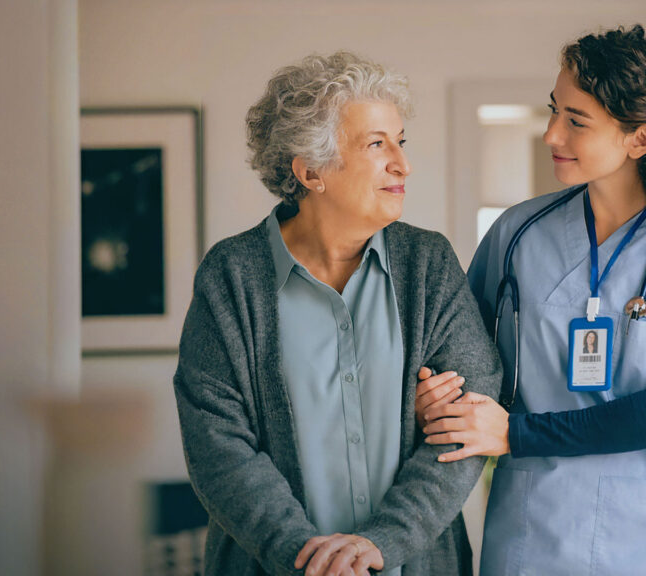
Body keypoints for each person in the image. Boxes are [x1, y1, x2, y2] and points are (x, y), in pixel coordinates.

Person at [414, 25, 646, 575]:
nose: (551, 134)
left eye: (576, 121)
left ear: (639, 139)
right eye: (555, 112)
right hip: (534, 536)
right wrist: (435, 396)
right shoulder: (517, 234)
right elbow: (463, 360)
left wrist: (513, 433)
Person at [173, 52, 500, 576]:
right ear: (310, 171)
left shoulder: (428, 264)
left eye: (400, 141)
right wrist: (308, 557)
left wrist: (383, 542)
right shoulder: (231, 276)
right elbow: (218, 447)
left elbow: (468, 418)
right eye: (377, 144)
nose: (402, 163)